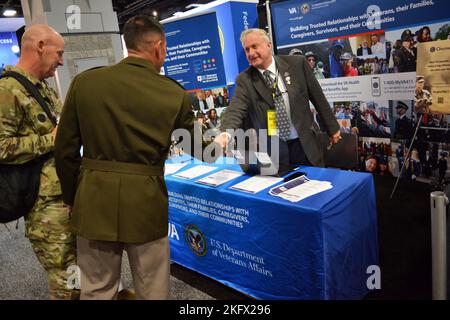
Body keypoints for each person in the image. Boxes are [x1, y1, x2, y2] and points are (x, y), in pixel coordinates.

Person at [55, 15, 198, 300]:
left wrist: (72, 197)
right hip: (146, 203)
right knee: (153, 288)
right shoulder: (173, 93)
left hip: (94, 200)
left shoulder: (85, 83)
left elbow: (65, 150)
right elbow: (196, 146)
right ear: (158, 47)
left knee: (96, 289)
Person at [0, 24, 79, 299]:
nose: (60, 60)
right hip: (45, 208)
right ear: (40, 47)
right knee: (67, 282)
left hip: (65, 198)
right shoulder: (7, 90)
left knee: (79, 273)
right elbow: (1, 148)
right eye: (58, 53)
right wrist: (51, 140)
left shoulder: (41, 88)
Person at [215, 28, 340, 167]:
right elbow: (235, 109)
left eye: (254, 46)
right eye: (247, 49)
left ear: (268, 45)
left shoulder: (297, 64)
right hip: (275, 151)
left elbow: (318, 98)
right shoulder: (245, 80)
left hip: (306, 143)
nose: (251, 53)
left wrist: (332, 128)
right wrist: (225, 133)